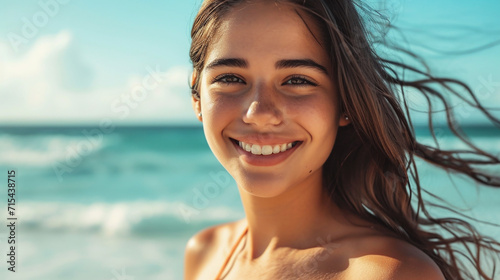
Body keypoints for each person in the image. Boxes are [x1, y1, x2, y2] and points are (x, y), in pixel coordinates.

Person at [184, 0, 500, 279]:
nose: (259, 112)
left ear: (345, 102)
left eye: (297, 80)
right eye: (230, 78)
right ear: (197, 95)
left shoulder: (391, 274)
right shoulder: (204, 253)